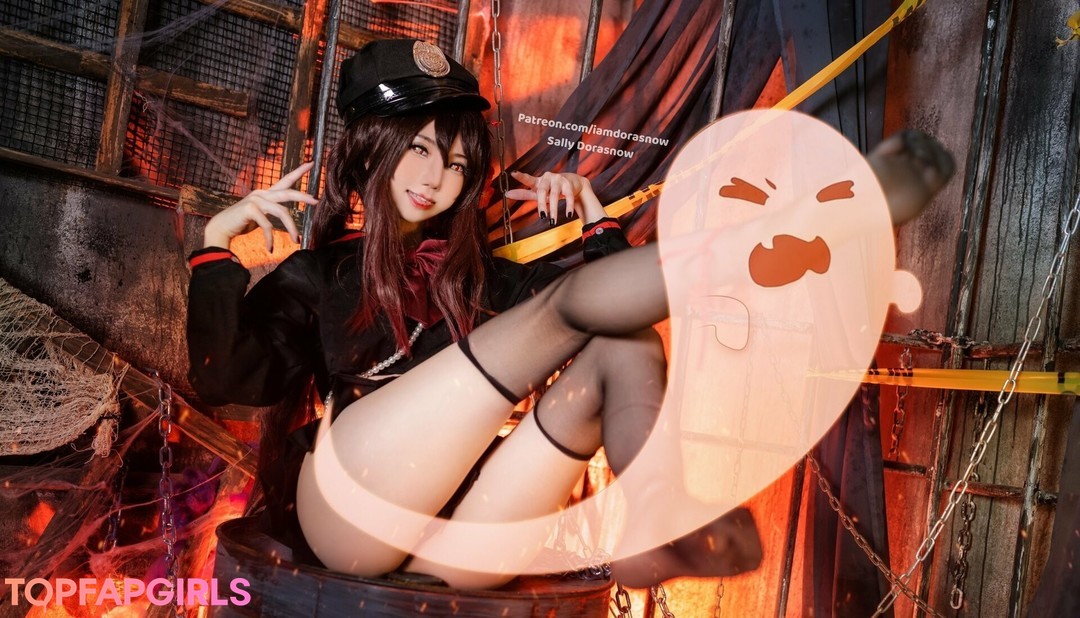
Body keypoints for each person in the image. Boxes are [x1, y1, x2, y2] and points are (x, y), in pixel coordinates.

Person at [188, 38, 954, 590]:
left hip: (463, 538)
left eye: (456, 162)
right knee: (566, 308)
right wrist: (216, 246)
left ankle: (653, 517)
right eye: (419, 149)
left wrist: (597, 225)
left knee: (619, 345)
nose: (437, 177)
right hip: (352, 516)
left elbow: (611, 305)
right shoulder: (317, 276)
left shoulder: (484, 280)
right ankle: (804, 227)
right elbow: (224, 378)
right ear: (369, 152)